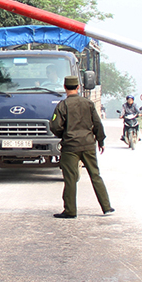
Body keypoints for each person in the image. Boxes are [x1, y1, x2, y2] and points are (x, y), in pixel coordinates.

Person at [49, 75, 113, 219]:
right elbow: (97, 124)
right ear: (78, 87)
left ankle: (70, 210)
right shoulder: (88, 104)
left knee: (70, 179)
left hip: (70, 146)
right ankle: (106, 207)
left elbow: (55, 126)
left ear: (65, 88)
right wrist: (100, 141)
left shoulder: (62, 105)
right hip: (88, 144)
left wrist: (63, 135)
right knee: (95, 175)